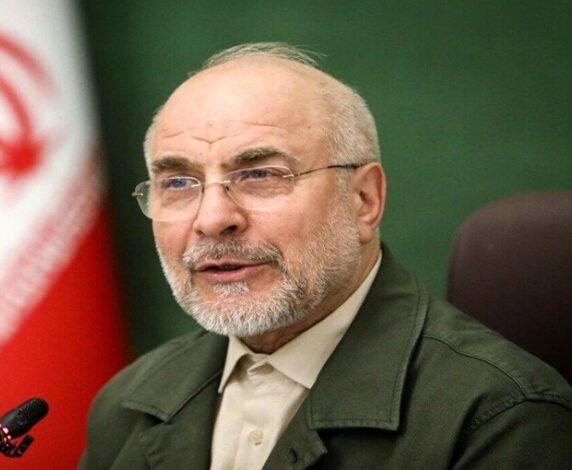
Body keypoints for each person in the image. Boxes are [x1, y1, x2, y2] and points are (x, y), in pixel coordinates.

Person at [79, 43, 572, 469]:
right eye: (178, 183)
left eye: (260, 175)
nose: (211, 219)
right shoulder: (125, 405)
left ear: (363, 201)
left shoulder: (501, 417)